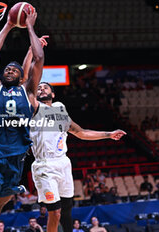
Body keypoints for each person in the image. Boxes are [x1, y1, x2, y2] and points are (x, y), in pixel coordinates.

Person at [0, 8, 44, 232]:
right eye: (8, 69)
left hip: (17, 159)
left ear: (22, 76)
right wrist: (9, 25)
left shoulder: (29, 92)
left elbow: (39, 57)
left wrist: (30, 27)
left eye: (15, 69)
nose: (10, 70)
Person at [28, 82, 126, 232]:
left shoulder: (60, 109)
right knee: (54, 212)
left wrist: (109, 134)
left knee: (67, 209)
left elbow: (82, 133)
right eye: (38, 88)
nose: (41, 89)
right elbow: (29, 88)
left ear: (53, 94)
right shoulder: (35, 108)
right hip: (44, 165)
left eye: (45, 87)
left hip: (63, 162)